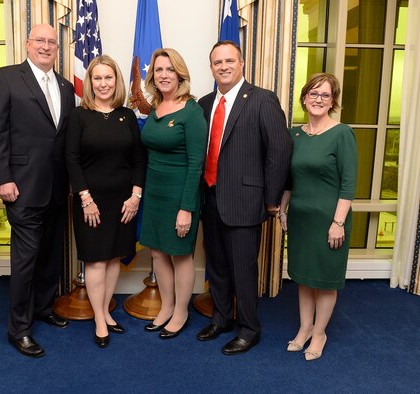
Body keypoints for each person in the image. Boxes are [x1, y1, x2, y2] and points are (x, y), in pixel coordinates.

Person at [197, 40, 293, 355]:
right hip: (210, 199)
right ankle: (222, 318)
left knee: (243, 268)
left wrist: (271, 199)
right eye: (217, 62)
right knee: (218, 267)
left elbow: (279, 150)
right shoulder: (205, 102)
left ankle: (249, 328)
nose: (223, 66)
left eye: (229, 61)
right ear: (211, 67)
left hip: (246, 201)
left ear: (241, 63)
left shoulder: (262, 99)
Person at [0, 24, 75, 358]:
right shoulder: (7, 77)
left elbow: (61, 140)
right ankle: (19, 329)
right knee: (25, 260)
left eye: (52, 42)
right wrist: (1, 179)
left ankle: (42, 307)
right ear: (28, 43)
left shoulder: (66, 87)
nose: (47, 46)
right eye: (41, 40)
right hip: (20, 187)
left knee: (51, 255)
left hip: (56, 187)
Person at [66, 55, 146, 349]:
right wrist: (85, 198)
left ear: (116, 81)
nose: (103, 83)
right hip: (91, 202)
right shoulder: (79, 116)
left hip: (124, 201)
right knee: (96, 259)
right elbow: (71, 160)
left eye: (108, 78)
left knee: (114, 257)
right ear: (89, 82)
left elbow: (139, 159)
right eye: (97, 78)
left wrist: (136, 196)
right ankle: (100, 317)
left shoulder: (126, 116)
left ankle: (105, 311)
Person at [279, 73, 357, 361]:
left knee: (324, 280)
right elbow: (289, 179)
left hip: (329, 220)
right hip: (300, 218)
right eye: (313, 93)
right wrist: (284, 209)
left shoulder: (342, 134)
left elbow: (349, 184)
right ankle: (304, 328)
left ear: (333, 101)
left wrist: (337, 223)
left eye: (325, 95)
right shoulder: (293, 134)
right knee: (303, 277)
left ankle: (320, 332)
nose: (318, 99)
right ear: (304, 97)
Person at [139, 48, 208, 339]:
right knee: (157, 252)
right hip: (155, 193)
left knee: (180, 255)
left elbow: (197, 164)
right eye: (158, 70)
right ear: (152, 76)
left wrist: (186, 208)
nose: (164, 75)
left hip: (180, 195)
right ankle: (166, 307)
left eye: (169, 69)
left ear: (180, 74)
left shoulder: (192, 111)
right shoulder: (155, 108)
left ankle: (181, 311)